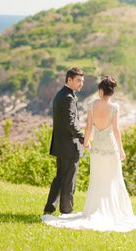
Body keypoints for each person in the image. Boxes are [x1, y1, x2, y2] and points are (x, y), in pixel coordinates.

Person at [41, 75, 136, 232]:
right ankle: (115, 211)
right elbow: (116, 130)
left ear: (101, 91)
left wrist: (86, 141)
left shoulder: (92, 105)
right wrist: (121, 150)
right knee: (113, 179)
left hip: (96, 148)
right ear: (111, 92)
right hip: (110, 147)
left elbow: (88, 127)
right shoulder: (114, 107)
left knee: (97, 179)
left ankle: (93, 209)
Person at [43, 67, 85, 215]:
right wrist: (82, 138)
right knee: (69, 181)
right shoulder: (68, 98)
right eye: (78, 80)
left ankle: (50, 207)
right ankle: (66, 211)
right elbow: (71, 123)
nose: (81, 84)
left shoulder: (60, 95)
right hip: (69, 146)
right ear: (69, 80)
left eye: (82, 81)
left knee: (60, 178)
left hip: (61, 146)